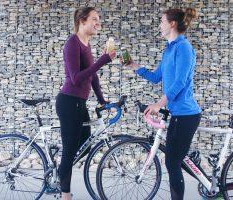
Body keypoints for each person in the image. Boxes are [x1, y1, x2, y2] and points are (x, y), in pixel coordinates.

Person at [127, 8, 201, 200]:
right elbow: (156, 77)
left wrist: (159, 103)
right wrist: (135, 67)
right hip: (177, 113)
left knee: (172, 162)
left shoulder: (183, 47)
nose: (159, 25)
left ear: (172, 24)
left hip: (186, 114)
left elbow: (181, 81)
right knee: (174, 160)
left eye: (162, 21)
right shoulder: (168, 50)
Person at [55, 7, 115, 200]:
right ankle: (65, 194)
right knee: (70, 150)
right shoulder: (72, 43)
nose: (98, 23)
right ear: (82, 21)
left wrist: (101, 99)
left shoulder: (86, 44)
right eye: (95, 19)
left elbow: (92, 76)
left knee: (85, 146)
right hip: (69, 102)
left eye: (99, 19)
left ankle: (61, 170)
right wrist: (102, 60)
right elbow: (75, 78)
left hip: (80, 104)